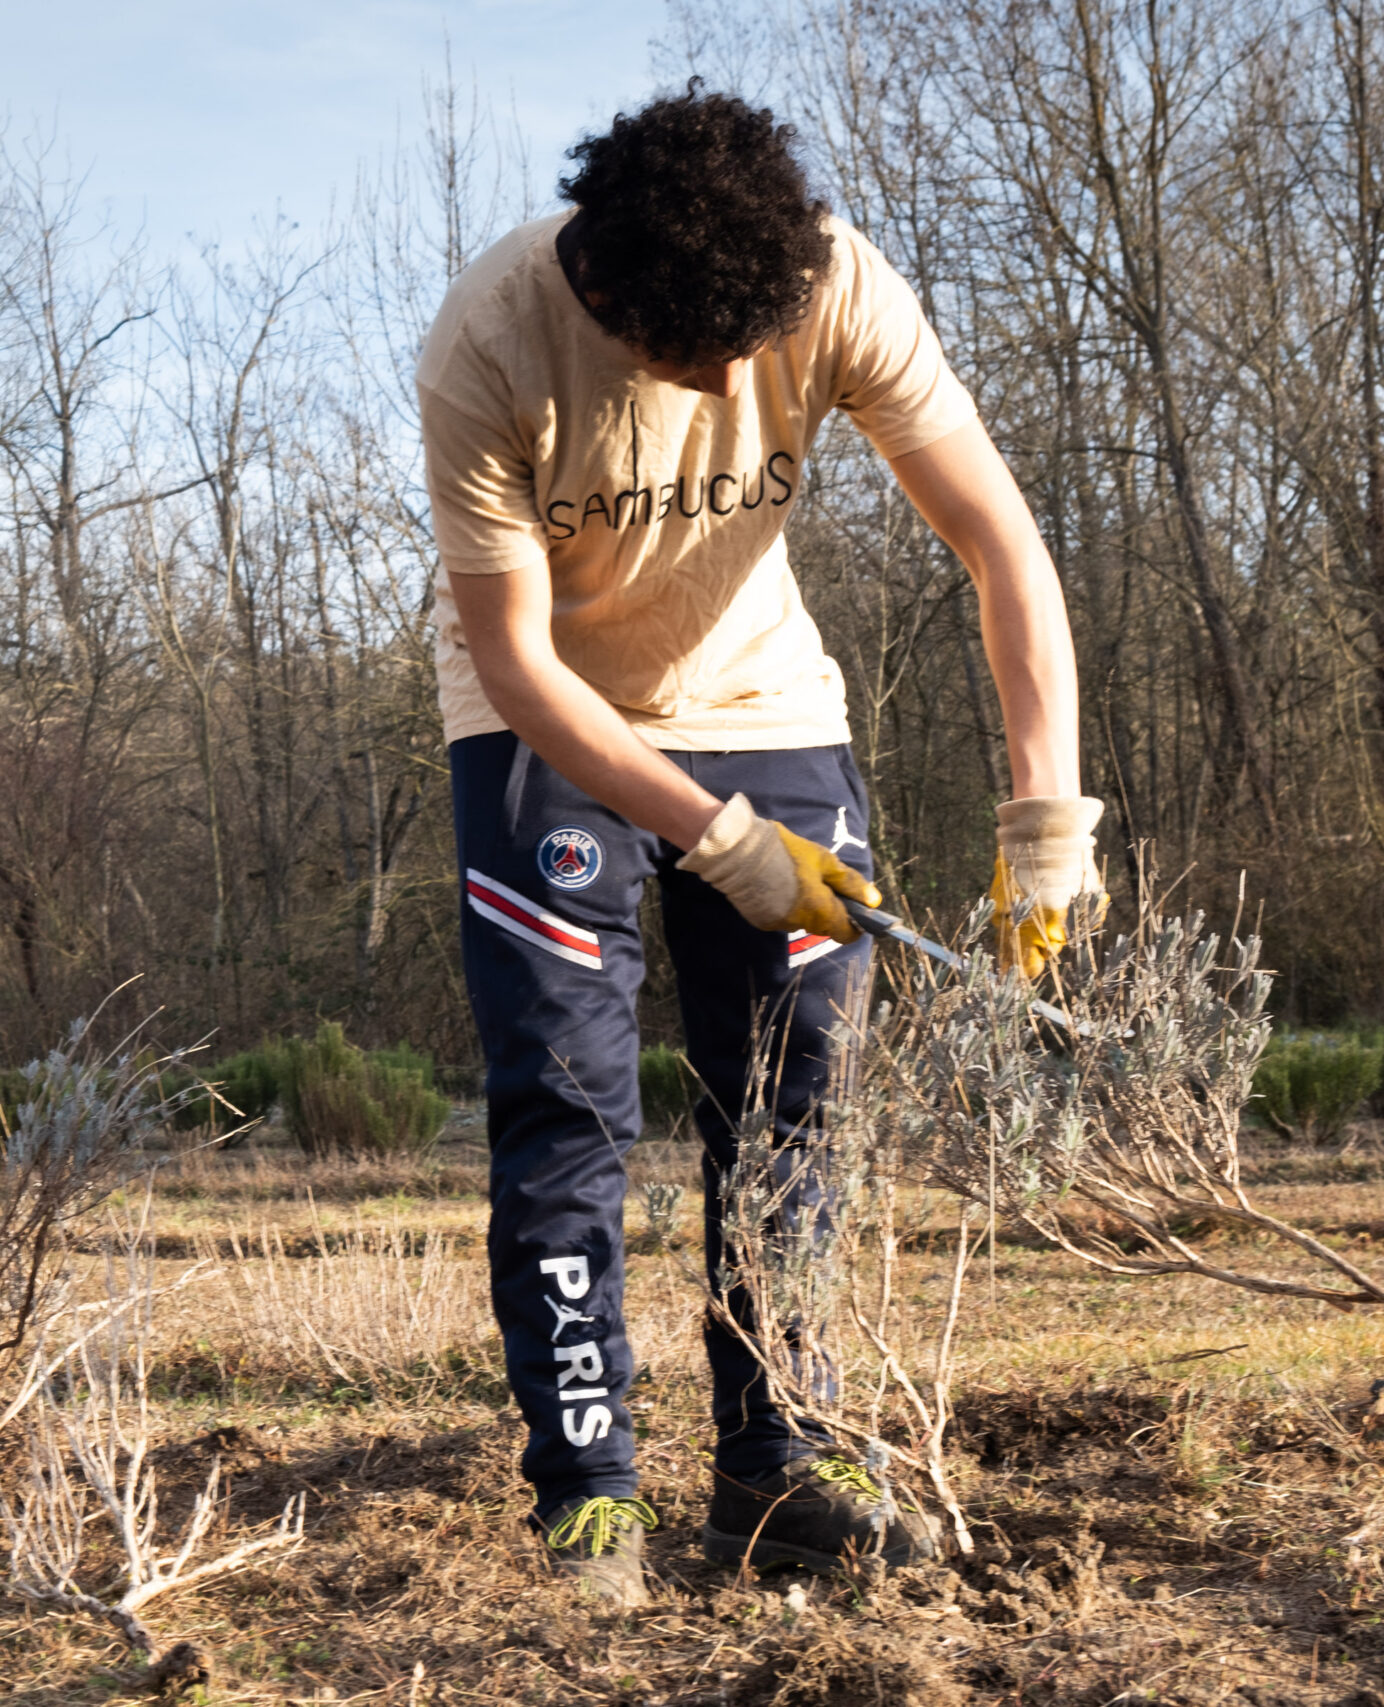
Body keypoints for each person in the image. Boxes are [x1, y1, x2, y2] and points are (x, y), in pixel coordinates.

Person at [420, 87, 1102, 1603]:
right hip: (548, 728)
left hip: (767, 703)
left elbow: (998, 538)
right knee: (567, 1115)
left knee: (798, 1105)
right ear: (615, 294)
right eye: (705, 359)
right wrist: (712, 834)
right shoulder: (491, 344)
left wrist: (1045, 812)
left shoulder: (830, 279)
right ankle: (590, 1490)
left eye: (758, 346)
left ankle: (777, 1465)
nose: (741, 380)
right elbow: (524, 666)